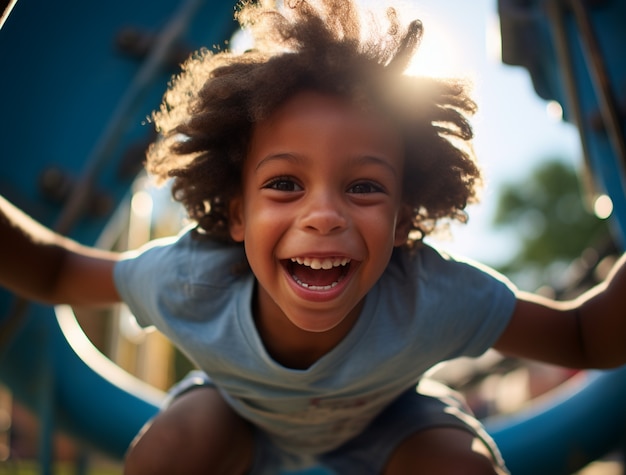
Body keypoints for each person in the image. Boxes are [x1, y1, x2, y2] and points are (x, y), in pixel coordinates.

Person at [1, 1, 626, 474]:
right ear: (234, 213)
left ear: (405, 218)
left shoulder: (432, 295)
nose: (323, 215)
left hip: (391, 422)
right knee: (174, 445)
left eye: (363, 188)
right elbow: (54, 274)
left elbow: (582, 336)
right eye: (284, 185)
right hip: (239, 418)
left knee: (460, 463)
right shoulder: (193, 279)